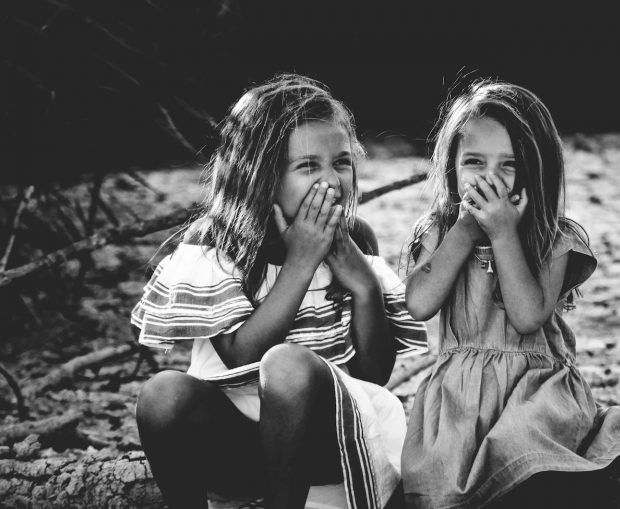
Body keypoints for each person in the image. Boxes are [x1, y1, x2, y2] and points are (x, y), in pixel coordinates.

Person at [131, 74, 428, 509]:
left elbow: (372, 377)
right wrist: (301, 262)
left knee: (290, 366)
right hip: (238, 447)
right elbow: (240, 355)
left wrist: (364, 287)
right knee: (162, 393)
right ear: (262, 175)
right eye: (309, 166)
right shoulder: (215, 243)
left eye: (341, 162)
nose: (330, 180)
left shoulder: (355, 239)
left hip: (331, 445)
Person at [400, 79, 620, 508]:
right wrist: (463, 232)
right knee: (442, 484)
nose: (489, 178)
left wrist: (504, 233)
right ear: (451, 166)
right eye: (474, 161)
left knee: (522, 446)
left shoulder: (552, 239)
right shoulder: (439, 231)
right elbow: (419, 303)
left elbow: (528, 316)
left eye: (508, 165)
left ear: (535, 169)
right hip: (459, 399)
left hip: (534, 392)